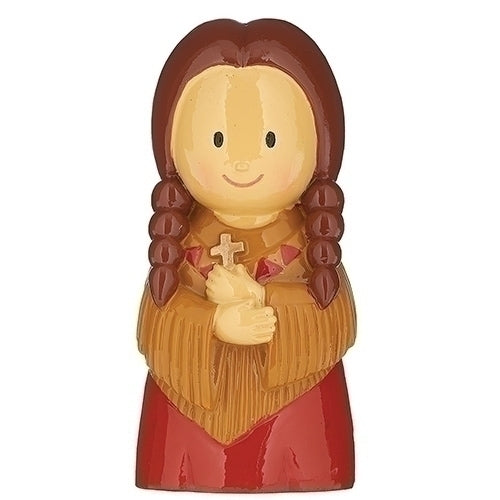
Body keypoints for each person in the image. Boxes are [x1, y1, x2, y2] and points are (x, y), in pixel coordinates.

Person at [136, 18, 357, 492]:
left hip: (297, 415)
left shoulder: (312, 245)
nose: (240, 163)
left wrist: (264, 299)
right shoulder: (177, 244)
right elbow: (153, 326)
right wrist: (215, 323)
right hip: (188, 417)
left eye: (270, 140)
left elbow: (338, 321)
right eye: (217, 140)